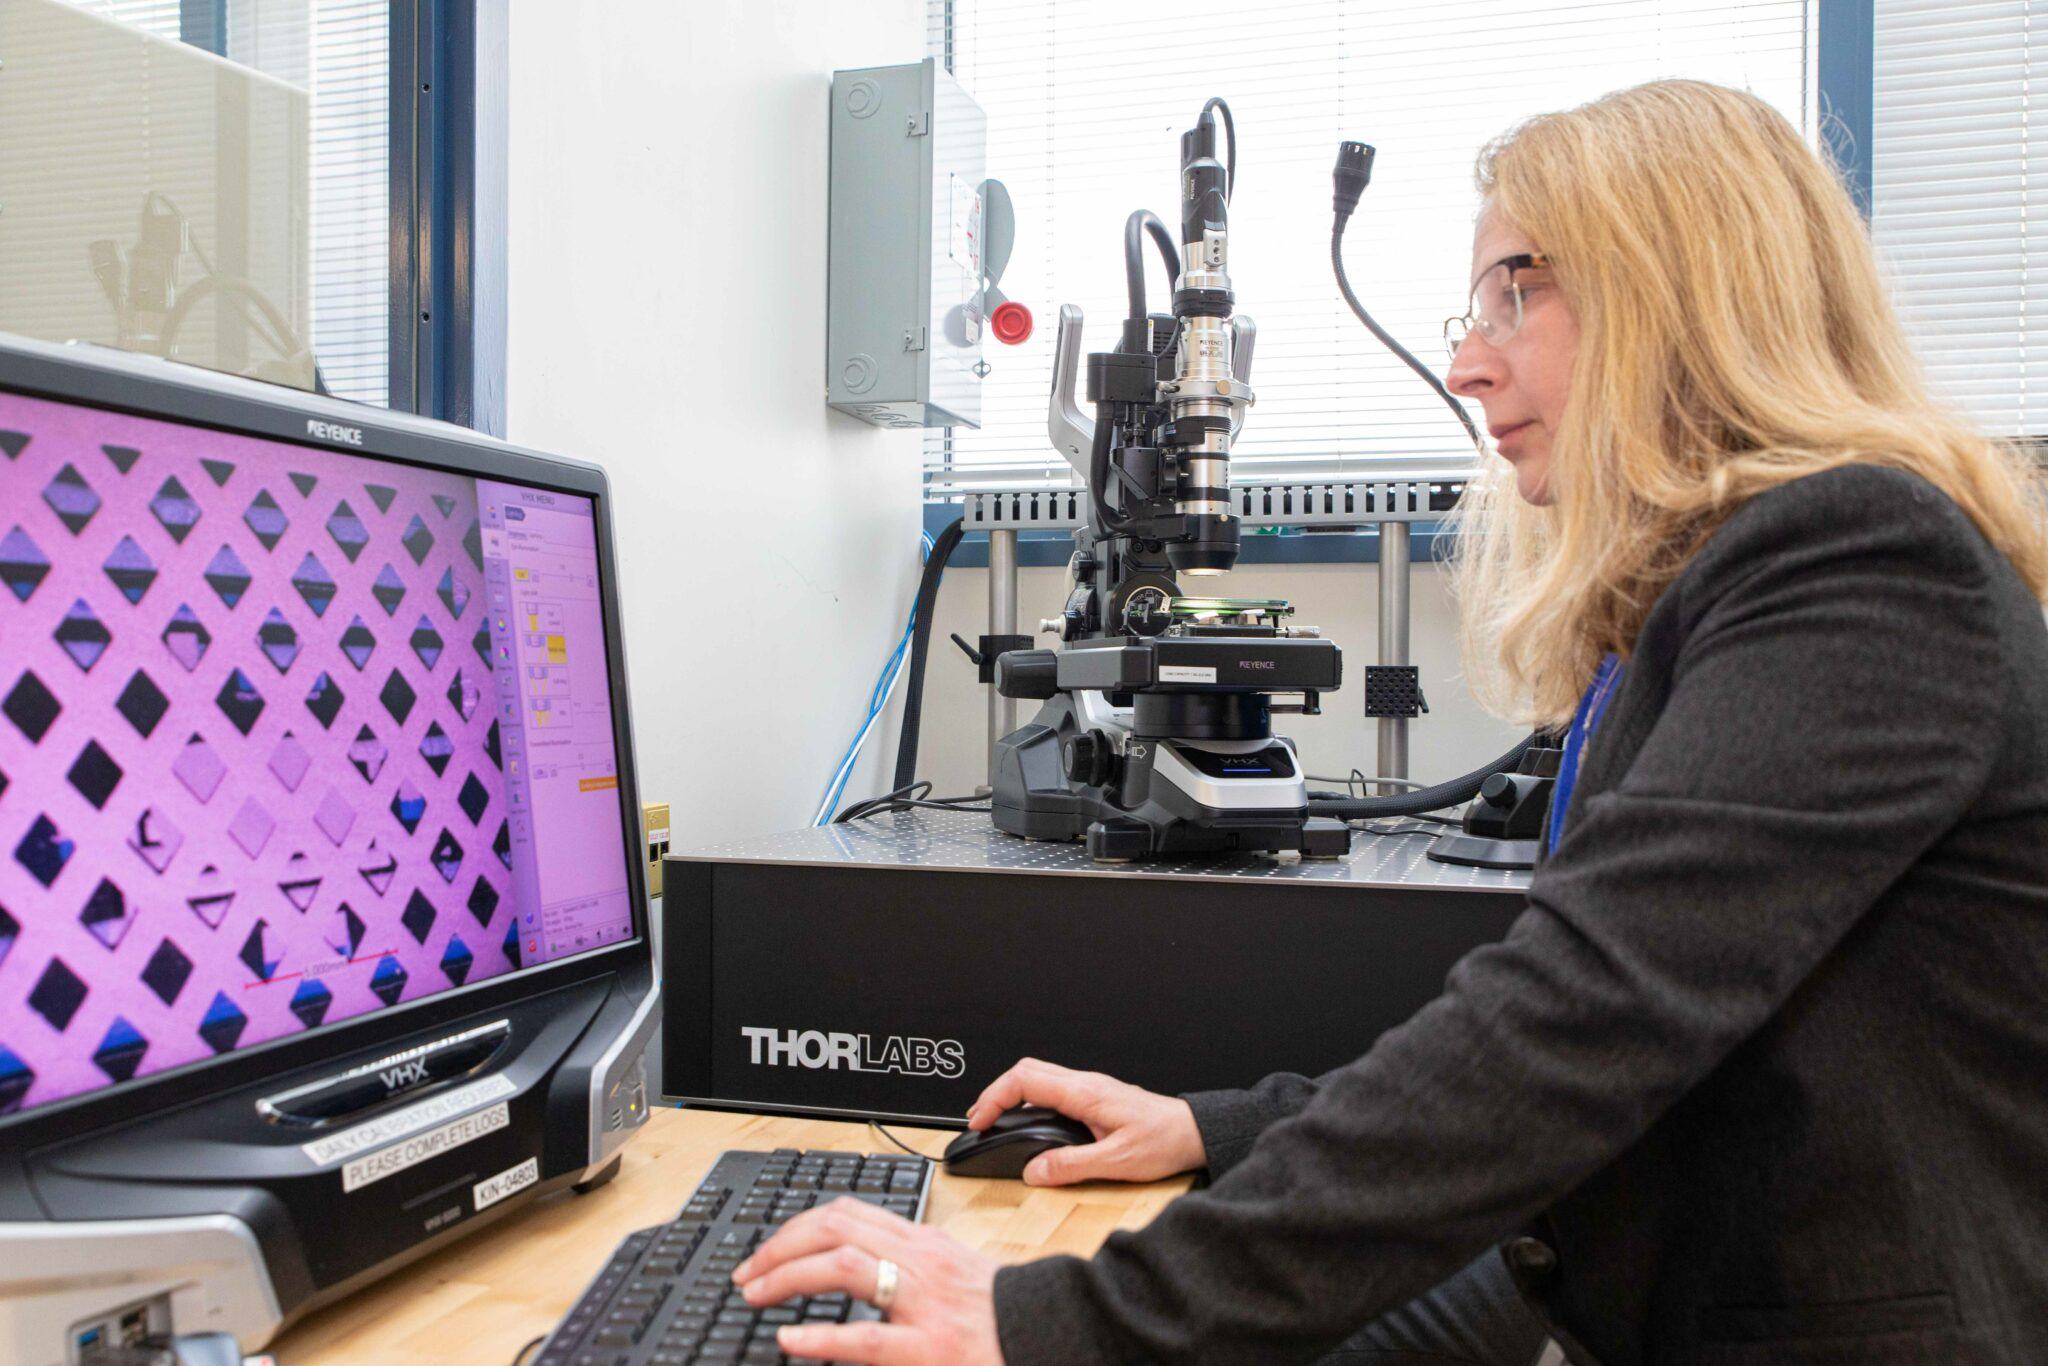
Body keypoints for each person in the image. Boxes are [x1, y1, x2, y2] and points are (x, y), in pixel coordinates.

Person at [732, 79, 2048, 1365]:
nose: (1469, 362)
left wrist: (1053, 1322)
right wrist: (1211, 1126)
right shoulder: (1718, 602)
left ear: (1683, 287)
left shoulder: (1863, 564)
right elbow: (1552, 1032)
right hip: (1603, 1271)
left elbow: (1568, 1025)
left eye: (1515, 294)